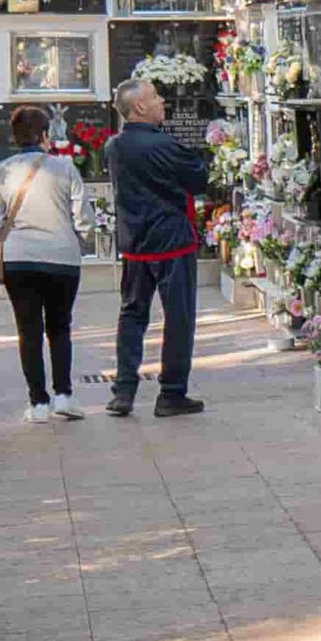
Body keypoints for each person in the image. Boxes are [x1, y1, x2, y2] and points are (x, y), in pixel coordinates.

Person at [105, 78, 210, 418]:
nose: (162, 101)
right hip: (171, 243)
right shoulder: (165, 146)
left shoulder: (114, 147)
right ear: (139, 107)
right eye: (155, 97)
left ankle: (123, 390)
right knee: (178, 318)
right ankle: (171, 392)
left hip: (135, 244)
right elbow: (198, 179)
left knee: (132, 315)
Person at [0, 104, 89, 423]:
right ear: (45, 135)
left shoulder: (2, 170)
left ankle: (38, 403)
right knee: (60, 327)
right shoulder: (65, 168)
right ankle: (64, 396)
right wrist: (76, 239)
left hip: (19, 260)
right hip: (62, 259)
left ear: (14, 137)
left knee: (28, 330)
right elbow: (84, 218)